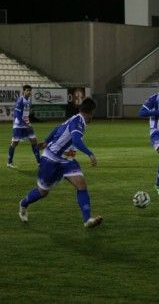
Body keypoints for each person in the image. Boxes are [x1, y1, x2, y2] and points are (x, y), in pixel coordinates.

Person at [18, 97, 102, 228]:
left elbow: (58, 128)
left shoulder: (76, 118)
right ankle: (23, 203)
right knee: (43, 192)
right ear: (91, 112)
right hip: (51, 159)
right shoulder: (78, 122)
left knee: (81, 185)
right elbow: (76, 140)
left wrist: (46, 141)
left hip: (67, 161)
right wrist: (89, 153)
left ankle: (87, 220)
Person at [7, 85, 41, 168]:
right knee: (15, 143)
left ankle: (40, 163)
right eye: (27, 90)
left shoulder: (29, 100)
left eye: (30, 91)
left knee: (34, 141)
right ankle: (9, 162)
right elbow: (18, 115)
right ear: (23, 92)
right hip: (18, 124)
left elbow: (26, 113)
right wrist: (26, 124)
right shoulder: (20, 101)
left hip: (26, 123)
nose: (29, 92)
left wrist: (28, 122)